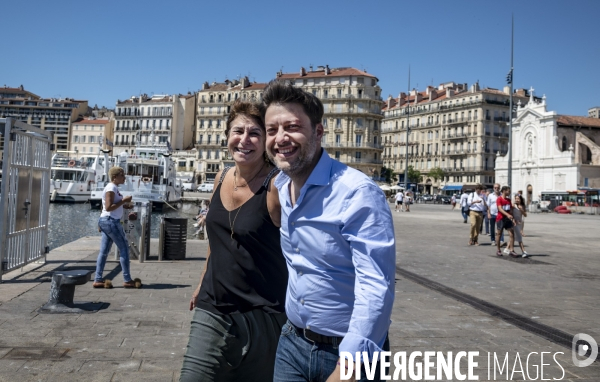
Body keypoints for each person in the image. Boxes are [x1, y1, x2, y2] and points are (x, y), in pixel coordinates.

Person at [263, 81, 395, 382]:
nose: (280, 138)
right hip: (292, 343)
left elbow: (376, 286)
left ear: (318, 132)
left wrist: (349, 366)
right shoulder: (282, 186)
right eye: (272, 130)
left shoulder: (357, 193)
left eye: (292, 127)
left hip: (349, 353)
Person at [180, 100, 288, 382]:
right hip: (212, 306)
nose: (244, 140)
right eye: (238, 131)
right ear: (227, 136)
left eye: (255, 133)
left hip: (264, 313)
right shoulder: (222, 176)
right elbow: (215, 242)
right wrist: (202, 281)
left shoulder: (277, 186)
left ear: (266, 140)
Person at [93, 166, 137, 288]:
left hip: (106, 221)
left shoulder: (113, 188)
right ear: (114, 177)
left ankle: (98, 279)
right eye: (122, 175)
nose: (124, 177)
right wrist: (124, 200)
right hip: (111, 221)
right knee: (124, 249)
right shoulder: (111, 187)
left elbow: (107, 207)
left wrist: (125, 206)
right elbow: (108, 207)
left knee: (104, 252)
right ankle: (127, 280)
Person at [495, 186, 518, 257]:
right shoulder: (499, 199)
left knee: (512, 234)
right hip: (500, 218)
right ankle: (498, 250)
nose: (509, 192)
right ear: (504, 191)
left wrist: (513, 218)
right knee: (499, 234)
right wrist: (507, 215)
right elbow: (500, 209)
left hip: (508, 219)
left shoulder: (508, 200)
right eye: (508, 191)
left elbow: (510, 210)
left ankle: (511, 250)